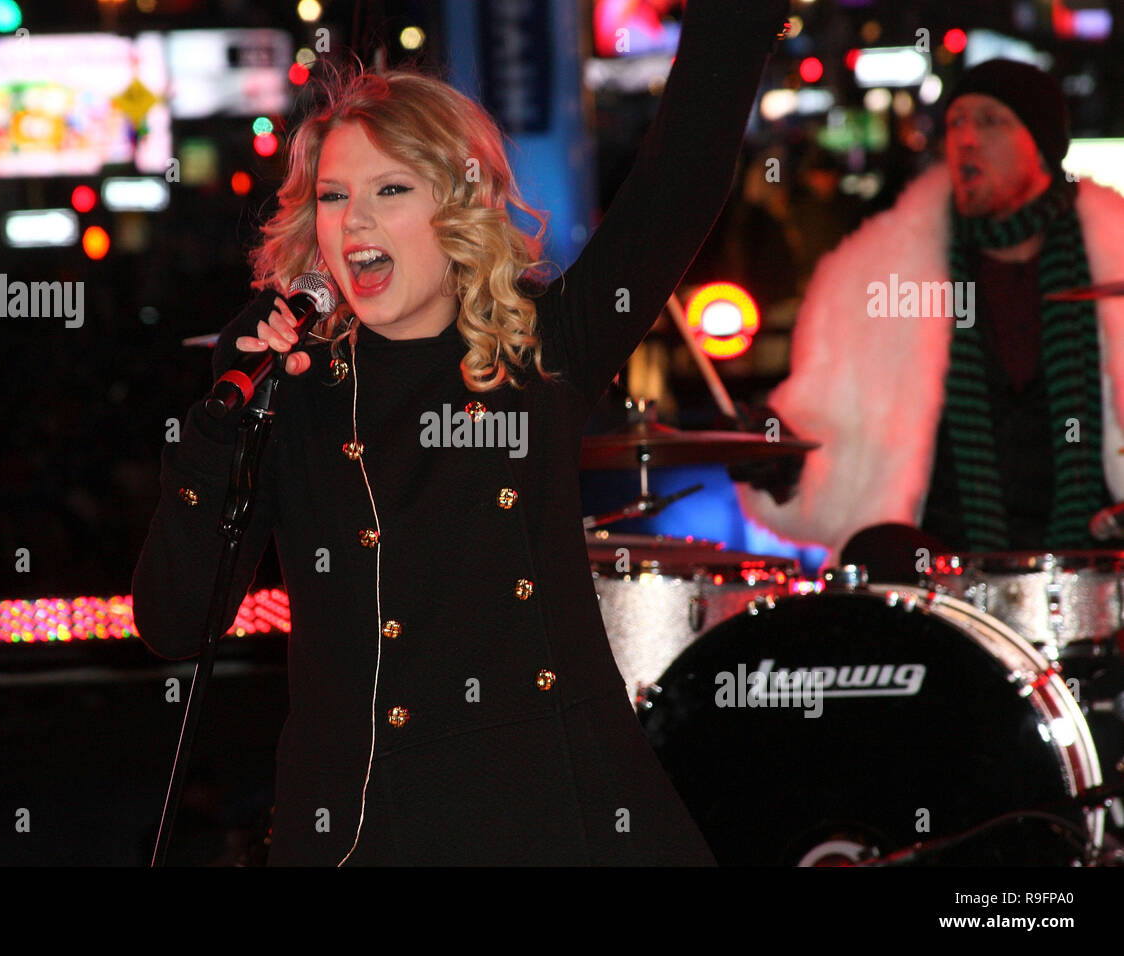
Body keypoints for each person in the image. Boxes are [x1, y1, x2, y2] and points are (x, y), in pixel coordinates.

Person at [132, 2, 788, 865]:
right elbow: (173, 621)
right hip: (366, 827)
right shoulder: (290, 390)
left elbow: (679, 181)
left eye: (390, 189)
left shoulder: (538, 356)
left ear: (460, 207)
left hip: (553, 811)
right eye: (334, 196)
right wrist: (226, 424)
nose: (354, 220)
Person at [730, 59, 1124, 581]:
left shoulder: (1112, 260)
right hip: (936, 584)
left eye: (990, 121)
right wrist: (782, 463)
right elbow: (829, 438)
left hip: (1094, 579)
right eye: (956, 122)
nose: (964, 138)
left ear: (1043, 147)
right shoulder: (877, 277)